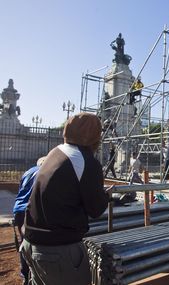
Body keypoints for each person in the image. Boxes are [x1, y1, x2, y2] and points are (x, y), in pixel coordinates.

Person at [21, 113, 110, 285]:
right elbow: (96, 209)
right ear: (95, 137)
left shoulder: (56, 152)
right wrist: (106, 195)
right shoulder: (86, 161)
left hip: (30, 243)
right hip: (58, 250)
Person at [13, 156, 45, 285]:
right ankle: (37, 275)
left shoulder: (28, 172)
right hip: (32, 211)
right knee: (39, 244)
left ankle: (25, 276)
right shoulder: (46, 171)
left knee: (24, 244)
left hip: (19, 210)